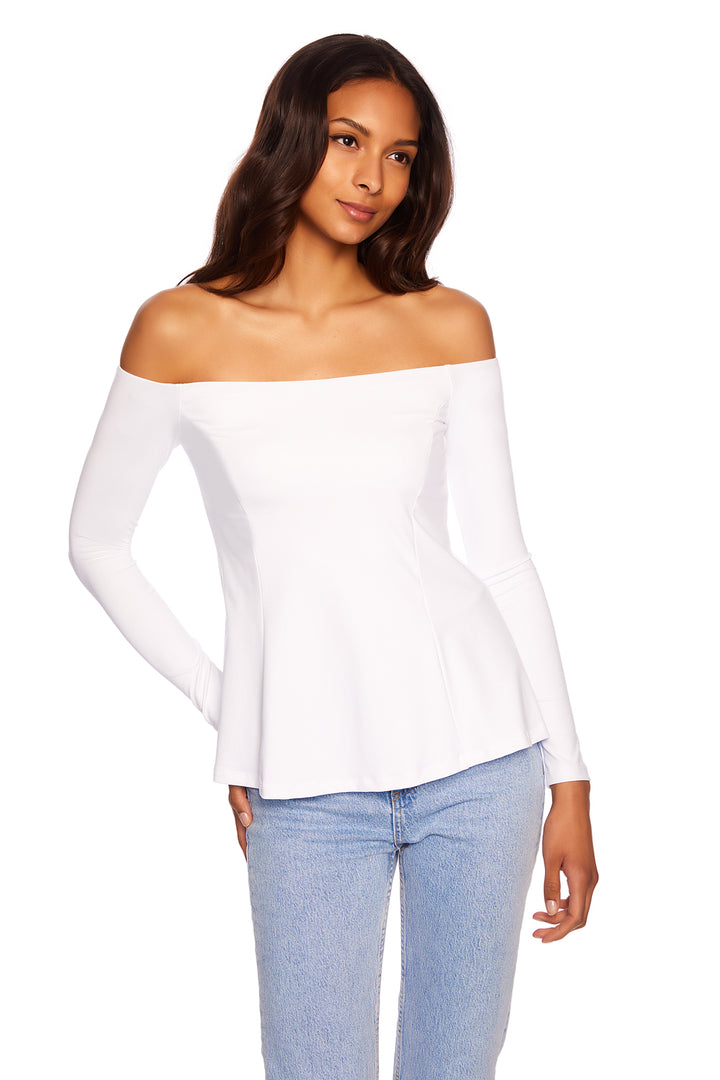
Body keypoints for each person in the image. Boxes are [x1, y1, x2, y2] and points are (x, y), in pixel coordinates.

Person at [68, 32, 599, 1080]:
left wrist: (570, 780)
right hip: (305, 786)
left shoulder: (448, 323)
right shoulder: (179, 328)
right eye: (349, 141)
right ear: (290, 136)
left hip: (482, 763)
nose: (373, 178)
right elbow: (97, 544)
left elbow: (501, 557)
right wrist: (231, 705)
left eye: (401, 156)